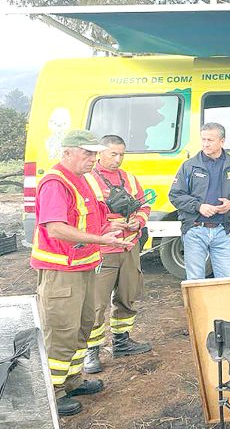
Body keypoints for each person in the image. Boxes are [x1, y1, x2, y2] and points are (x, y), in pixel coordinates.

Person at [31, 129, 134, 417]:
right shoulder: (55, 182)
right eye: (86, 153)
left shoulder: (82, 181)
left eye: (94, 153)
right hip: (61, 271)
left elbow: (87, 224)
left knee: (83, 325)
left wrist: (111, 228)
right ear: (67, 153)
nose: (93, 158)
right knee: (62, 330)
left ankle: (72, 381)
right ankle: (54, 392)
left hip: (85, 266)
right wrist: (104, 241)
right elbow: (56, 228)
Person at [83, 135, 152, 376]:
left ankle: (121, 341)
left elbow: (145, 206)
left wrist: (137, 222)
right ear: (100, 153)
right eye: (113, 154)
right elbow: (87, 216)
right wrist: (111, 226)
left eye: (122, 154)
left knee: (128, 295)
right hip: (104, 250)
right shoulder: (88, 180)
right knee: (96, 303)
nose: (118, 159)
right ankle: (91, 351)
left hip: (129, 246)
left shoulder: (130, 179)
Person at [168, 123, 230, 280]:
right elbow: (175, 195)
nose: (205, 144)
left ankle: (223, 306)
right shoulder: (189, 166)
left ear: (222, 141)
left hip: (222, 230)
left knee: (227, 279)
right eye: (203, 139)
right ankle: (197, 306)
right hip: (195, 229)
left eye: (210, 140)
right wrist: (199, 207)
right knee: (195, 280)